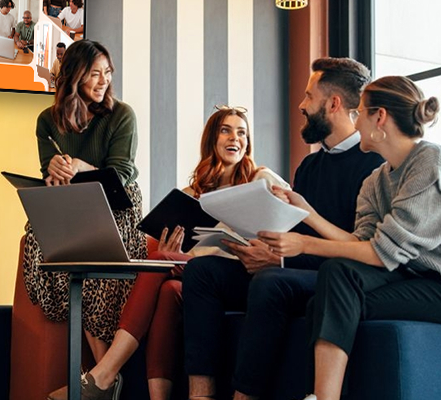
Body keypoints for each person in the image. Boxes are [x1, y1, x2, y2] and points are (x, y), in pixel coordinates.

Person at [261, 76, 441, 400]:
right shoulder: (375, 181)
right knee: (330, 290)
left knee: (334, 299)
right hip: (424, 282)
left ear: (379, 117)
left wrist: (305, 244)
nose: (355, 121)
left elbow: (381, 254)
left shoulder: (432, 165)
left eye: (361, 113)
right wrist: (306, 211)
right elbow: (360, 243)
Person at [48, 106, 286, 400]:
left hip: (243, 274)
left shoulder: (261, 178)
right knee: (168, 289)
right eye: (226, 130)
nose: (234, 138)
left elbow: (290, 219)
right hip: (200, 279)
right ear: (212, 139)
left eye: (242, 132)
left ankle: (104, 374)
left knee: (159, 263)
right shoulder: (191, 194)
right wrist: (167, 250)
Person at [183, 57, 384, 400]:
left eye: (309, 96)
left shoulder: (374, 166)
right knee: (202, 272)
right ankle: (200, 396)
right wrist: (262, 248)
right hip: (291, 266)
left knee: (270, 282)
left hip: (334, 275)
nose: (302, 105)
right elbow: (290, 229)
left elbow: (358, 255)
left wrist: (279, 262)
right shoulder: (309, 166)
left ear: (333, 103)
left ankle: (244, 396)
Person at [22, 40, 143, 399]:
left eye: (107, 73)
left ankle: (100, 380)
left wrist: (80, 166)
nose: (104, 80)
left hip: (116, 207)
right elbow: (49, 175)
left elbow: (120, 173)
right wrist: (55, 172)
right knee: (38, 241)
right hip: (72, 204)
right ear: (75, 76)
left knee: (91, 255)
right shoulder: (47, 120)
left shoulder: (122, 115)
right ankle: (104, 382)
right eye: (95, 73)